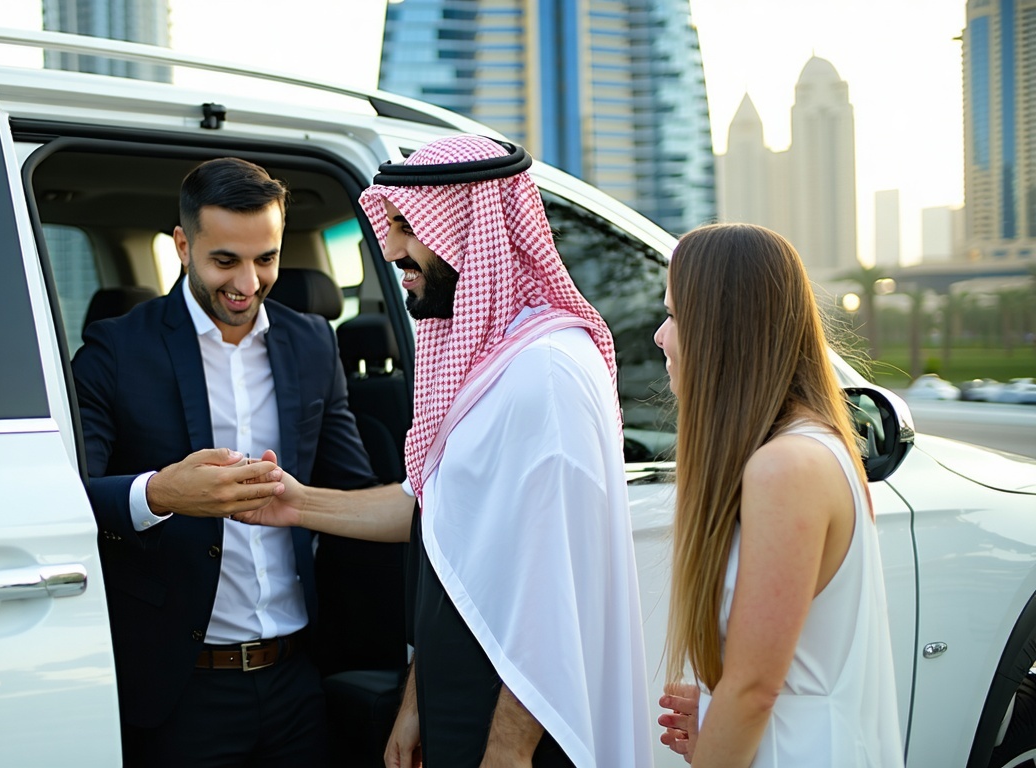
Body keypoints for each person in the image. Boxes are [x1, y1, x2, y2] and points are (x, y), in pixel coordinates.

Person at [237, 134, 653, 767]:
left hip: (517, 728)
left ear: (469, 226)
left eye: (408, 226)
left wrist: (508, 753)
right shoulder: (492, 362)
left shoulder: (544, 372)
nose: (392, 247)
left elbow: (549, 591)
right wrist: (295, 504)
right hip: (459, 702)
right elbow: (440, 521)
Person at [70, 157, 376, 767]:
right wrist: (159, 494)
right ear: (184, 245)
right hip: (181, 689)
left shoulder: (314, 343)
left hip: (297, 677)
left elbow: (354, 492)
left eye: (266, 259)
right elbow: (70, 496)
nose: (248, 283)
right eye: (225, 261)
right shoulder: (115, 349)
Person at [653, 223, 904, 767]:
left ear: (720, 328)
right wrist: (721, 705)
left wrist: (731, 706)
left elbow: (755, 689)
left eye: (673, 315)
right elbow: (776, 676)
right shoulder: (810, 448)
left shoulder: (787, 465)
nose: (659, 336)